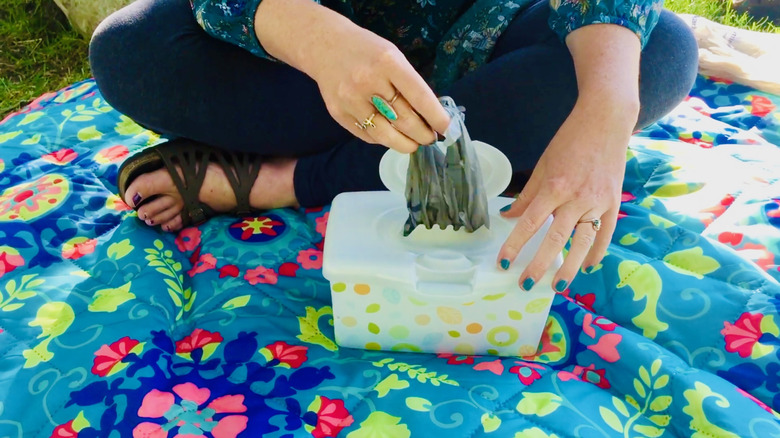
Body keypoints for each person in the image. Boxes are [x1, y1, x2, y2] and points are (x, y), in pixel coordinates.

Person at [89, 0, 698, 292]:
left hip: (488, 34)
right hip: (300, 47)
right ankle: (480, 143)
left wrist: (607, 111)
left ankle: (288, 178)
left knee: (662, 50)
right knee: (128, 50)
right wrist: (318, 41)